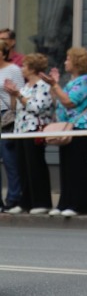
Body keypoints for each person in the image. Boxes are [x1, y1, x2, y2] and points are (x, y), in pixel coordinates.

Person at [40, 47, 87, 217]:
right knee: (66, 166)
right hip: (68, 127)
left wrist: (54, 85)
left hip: (81, 127)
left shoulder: (85, 80)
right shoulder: (72, 81)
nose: (65, 62)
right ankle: (65, 202)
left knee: (76, 166)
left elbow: (70, 102)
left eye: (68, 59)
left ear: (77, 62)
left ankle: (79, 205)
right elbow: (58, 100)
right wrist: (54, 86)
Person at [4, 53, 53, 214]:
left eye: (24, 66)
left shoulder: (43, 87)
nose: (22, 69)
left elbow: (36, 107)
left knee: (35, 165)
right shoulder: (26, 87)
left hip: (34, 130)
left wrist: (18, 95)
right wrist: (13, 95)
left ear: (32, 69)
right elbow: (15, 108)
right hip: (20, 129)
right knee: (22, 166)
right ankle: (25, 201)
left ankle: (41, 202)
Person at [0, 38, 25, 212]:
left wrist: (15, 114)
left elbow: (21, 93)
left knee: (9, 159)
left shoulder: (13, 70)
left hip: (6, 116)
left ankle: (14, 197)